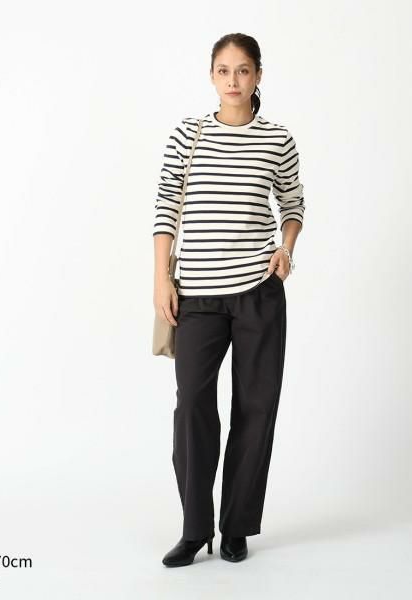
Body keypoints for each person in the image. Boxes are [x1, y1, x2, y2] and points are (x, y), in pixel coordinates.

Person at [153, 33, 305, 567]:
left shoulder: (277, 140)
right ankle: (195, 529)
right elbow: (165, 206)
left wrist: (286, 248)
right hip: (197, 295)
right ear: (211, 75)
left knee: (256, 408)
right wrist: (161, 280)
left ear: (258, 75)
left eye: (243, 70)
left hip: (259, 292)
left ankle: (236, 527)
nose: (233, 80)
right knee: (192, 406)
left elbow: (293, 203)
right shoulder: (187, 135)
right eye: (224, 70)